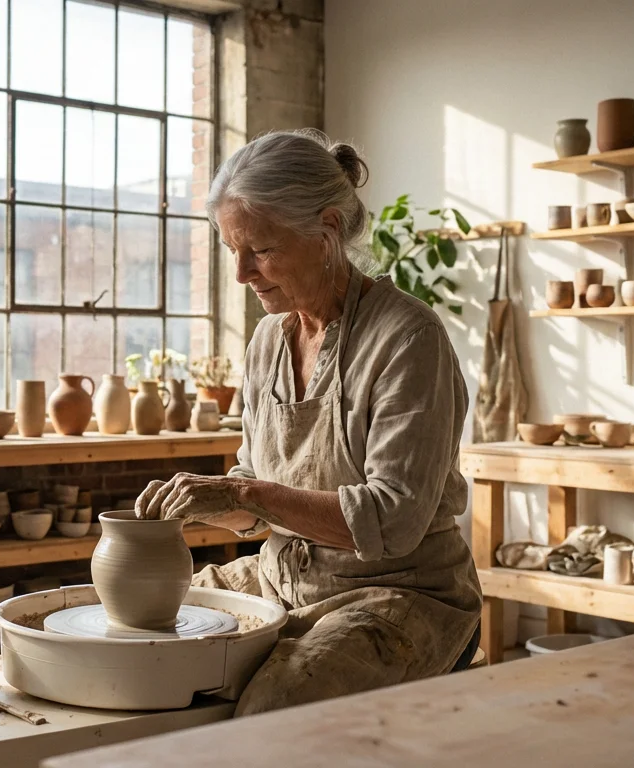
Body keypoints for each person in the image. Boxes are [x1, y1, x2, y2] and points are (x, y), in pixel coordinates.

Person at [135, 129, 481, 716]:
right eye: (232, 251)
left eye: (261, 250)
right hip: (280, 579)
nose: (242, 272)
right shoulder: (270, 338)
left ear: (325, 232)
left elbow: (392, 519)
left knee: (273, 708)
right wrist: (204, 501)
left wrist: (241, 490)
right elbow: (253, 498)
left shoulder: (408, 339)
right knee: (136, 632)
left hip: (398, 594)